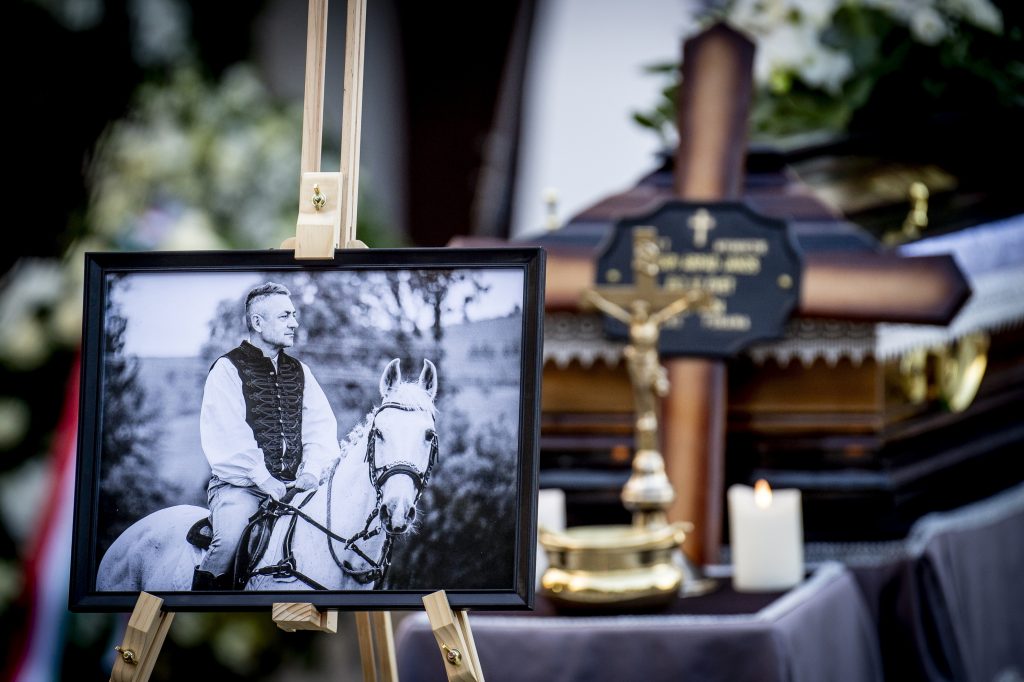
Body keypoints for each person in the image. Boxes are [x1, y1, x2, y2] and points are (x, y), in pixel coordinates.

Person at [192, 282, 340, 590]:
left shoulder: (301, 371)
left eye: (294, 315)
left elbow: (320, 427)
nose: (295, 323)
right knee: (229, 540)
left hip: (294, 486)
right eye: (285, 316)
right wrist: (263, 478)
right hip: (240, 487)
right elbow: (229, 434)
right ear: (258, 323)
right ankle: (201, 613)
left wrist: (312, 471)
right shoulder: (227, 369)